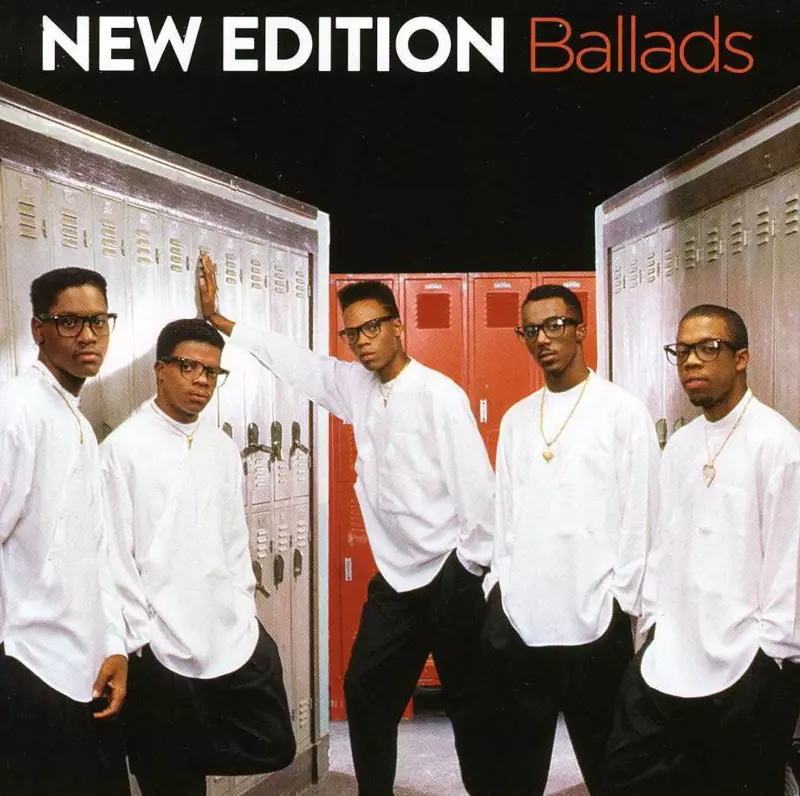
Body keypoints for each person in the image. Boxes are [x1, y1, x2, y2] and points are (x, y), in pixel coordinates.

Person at [197, 255, 497, 796]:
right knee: (365, 690)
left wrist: (468, 570)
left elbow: (479, 497)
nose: (361, 341)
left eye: (372, 327)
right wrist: (223, 322)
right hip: (398, 581)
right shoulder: (357, 386)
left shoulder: (439, 396)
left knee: (473, 709)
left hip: (450, 576)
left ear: (397, 326)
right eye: (351, 332)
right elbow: (298, 363)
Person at [606, 304, 800, 796]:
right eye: (682, 350)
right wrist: (652, 629)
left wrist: (768, 655)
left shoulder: (778, 444)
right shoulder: (682, 445)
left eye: (708, 348)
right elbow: (664, 546)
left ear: (741, 358)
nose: (691, 360)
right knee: (630, 776)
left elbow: (789, 560)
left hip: (747, 664)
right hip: (669, 658)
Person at [100, 318, 295, 796]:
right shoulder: (122, 449)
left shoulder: (220, 446)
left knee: (273, 743)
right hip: (159, 643)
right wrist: (139, 638)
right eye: (189, 367)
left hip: (226, 631)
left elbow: (234, 539)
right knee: (173, 782)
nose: (202, 380)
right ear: (161, 370)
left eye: (212, 371)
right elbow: (114, 556)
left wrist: (244, 609)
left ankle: (163, 747)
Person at [482, 284, 659, 796]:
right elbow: (505, 516)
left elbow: (642, 517)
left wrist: (622, 602)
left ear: (581, 329)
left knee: (612, 774)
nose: (543, 339)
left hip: (596, 620)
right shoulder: (517, 419)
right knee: (516, 778)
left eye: (555, 325)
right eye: (530, 330)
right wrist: (500, 589)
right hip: (524, 622)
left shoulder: (622, 411)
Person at [0, 267, 129, 796]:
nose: (88, 336)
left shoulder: (73, 418)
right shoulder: (18, 409)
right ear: (39, 329)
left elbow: (96, 549)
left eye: (99, 321)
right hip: (30, 667)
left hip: (84, 669)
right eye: (69, 322)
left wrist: (114, 645)